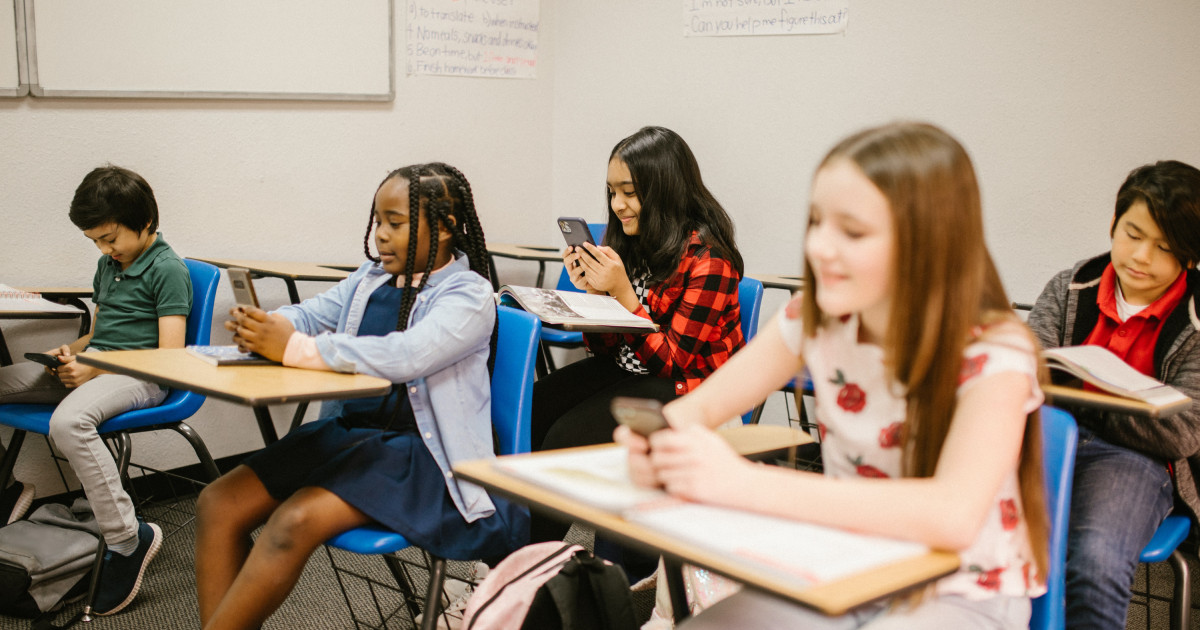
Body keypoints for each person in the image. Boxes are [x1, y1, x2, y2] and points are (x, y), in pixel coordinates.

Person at [617, 122, 1050, 629]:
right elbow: (702, 406)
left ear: (929, 241)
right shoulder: (816, 316)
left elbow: (951, 516)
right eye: (817, 222)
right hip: (848, 568)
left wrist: (742, 484)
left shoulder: (994, 352)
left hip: (962, 591)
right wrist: (662, 442)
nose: (820, 247)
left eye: (853, 231)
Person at [193, 163, 526, 630]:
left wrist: (292, 348)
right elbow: (311, 314)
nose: (381, 236)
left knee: (292, 521)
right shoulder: (370, 279)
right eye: (378, 221)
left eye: (397, 222)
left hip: (425, 456)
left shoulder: (468, 295)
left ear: (448, 227)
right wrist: (272, 326)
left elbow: (406, 354)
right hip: (354, 436)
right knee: (218, 502)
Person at [528, 126, 746, 570]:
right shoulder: (629, 242)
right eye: (612, 192)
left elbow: (674, 361)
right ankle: (519, 563)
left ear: (664, 190)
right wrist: (594, 294)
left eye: (630, 192)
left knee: (561, 441)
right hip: (634, 373)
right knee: (533, 409)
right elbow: (606, 349)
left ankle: (532, 574)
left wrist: (625, 297)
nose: (617, 205)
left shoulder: (710, 260)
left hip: (689, 387)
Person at [0, 165, 192, 615]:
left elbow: (170, 356)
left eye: (110, 239)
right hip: (98, 367)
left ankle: (129, 539)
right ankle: (7, 490)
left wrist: (96, 368)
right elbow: (101, 333)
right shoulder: (109, 264)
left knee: (70, 422)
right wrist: (71, 352)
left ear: (145, 222)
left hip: (145, 377)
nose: (105, 250)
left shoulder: (168, 270)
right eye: (96, 243)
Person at [1027, 160, 1200, 629]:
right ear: (1113, 224)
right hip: (1049, 439)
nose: (1141, 256)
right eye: (1132, 233)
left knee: (1095, 561)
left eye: (1165, 247)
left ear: (1190, 256)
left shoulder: (1196, 319)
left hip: (1136, 458)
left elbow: (1182, 431)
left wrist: (1081, 403)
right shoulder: (1070, 286)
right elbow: (1026, 376)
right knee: (980, 536)